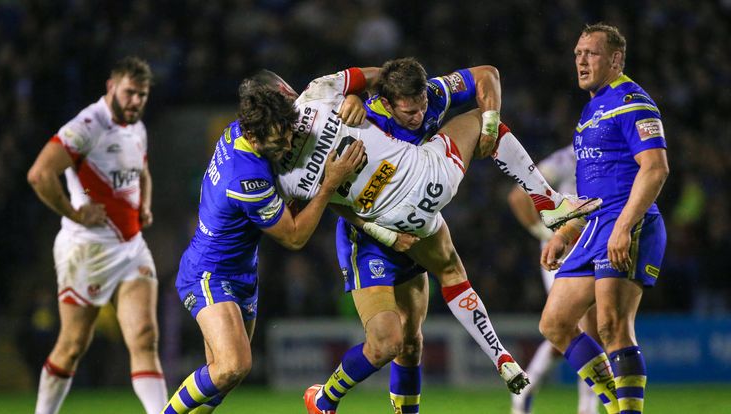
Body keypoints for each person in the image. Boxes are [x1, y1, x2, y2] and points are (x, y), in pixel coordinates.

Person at [261, 65, 600, 413]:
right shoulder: (355, 122)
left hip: (418, 210)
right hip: (367, 235)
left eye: (420, 106)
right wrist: (382, 231)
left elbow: (484, 75)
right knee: (384, 344)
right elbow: (322, 206)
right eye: (408, 110)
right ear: (388, 104)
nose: (418, 115)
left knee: (411, 342)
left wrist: (489, 122)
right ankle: (325, 398)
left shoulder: (429, 95)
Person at [160, 76, 368, 414]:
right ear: (255, 137)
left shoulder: (244, 127)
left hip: (242, 274)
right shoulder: (245, 178)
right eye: (279, 141)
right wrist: (330, 183)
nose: (287, 145)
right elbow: (295, 235)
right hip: (209, 273)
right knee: (233, 365)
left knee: (223, 376)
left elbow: (269, 86)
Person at [538, 24, 669, 414]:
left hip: (629, 221)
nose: (580, 60)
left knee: (612, 326)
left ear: (615, 59)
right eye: (578, 53)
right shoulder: (590, 110)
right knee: (555, 324)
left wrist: (625, 226)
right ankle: (617, 408)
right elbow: (591, 189)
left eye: (591, 53)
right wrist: (566, 231)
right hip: (594, 226)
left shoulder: (634, 101)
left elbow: (656, 168)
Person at [26, 57, 168, 414]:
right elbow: (40, 174)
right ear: (111, 87)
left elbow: (144, 172)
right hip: (88, 250)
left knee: (145, 338)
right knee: (73, 345)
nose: (136, 101)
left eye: (143, 95)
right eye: (130, 93)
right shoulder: (87, 126)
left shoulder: (136, 127)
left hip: (131, 247)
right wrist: (74, 212)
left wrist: (145, 206)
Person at [507, 145, 600, 414]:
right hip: (567, 251)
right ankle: (588, 407)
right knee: (585, 326)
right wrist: (545, 235)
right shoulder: (572, 156)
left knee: (567, 331)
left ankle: (525, 389)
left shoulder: (611, 154)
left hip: (594, 246)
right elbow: (517, 196)